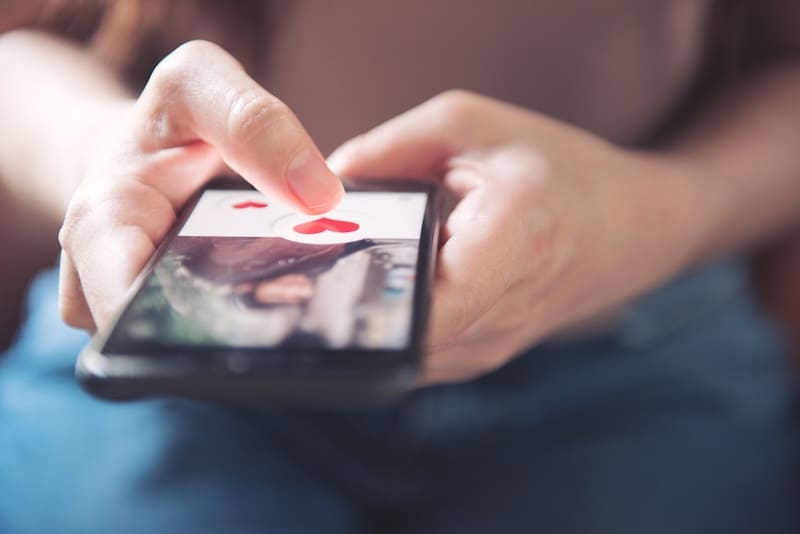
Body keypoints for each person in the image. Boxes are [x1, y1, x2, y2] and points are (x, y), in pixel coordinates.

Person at [1, 1, 799, 532]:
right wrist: (99, 150)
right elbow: (20, 51)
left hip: (640, 348)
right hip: (186, 339)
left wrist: (666, 213)